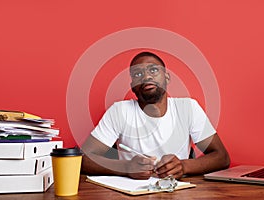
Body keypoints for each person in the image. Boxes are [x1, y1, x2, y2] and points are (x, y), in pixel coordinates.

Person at [81, 51, 230, 180]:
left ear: (167, 78)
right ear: (133, 86)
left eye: (153, 70)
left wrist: (183, 166)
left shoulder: (188, 108)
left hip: (177, 190)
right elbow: (84, 159)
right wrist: (126, 167)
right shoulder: (119, 111)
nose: (146, 77)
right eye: (138, 74)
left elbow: (221, 157)